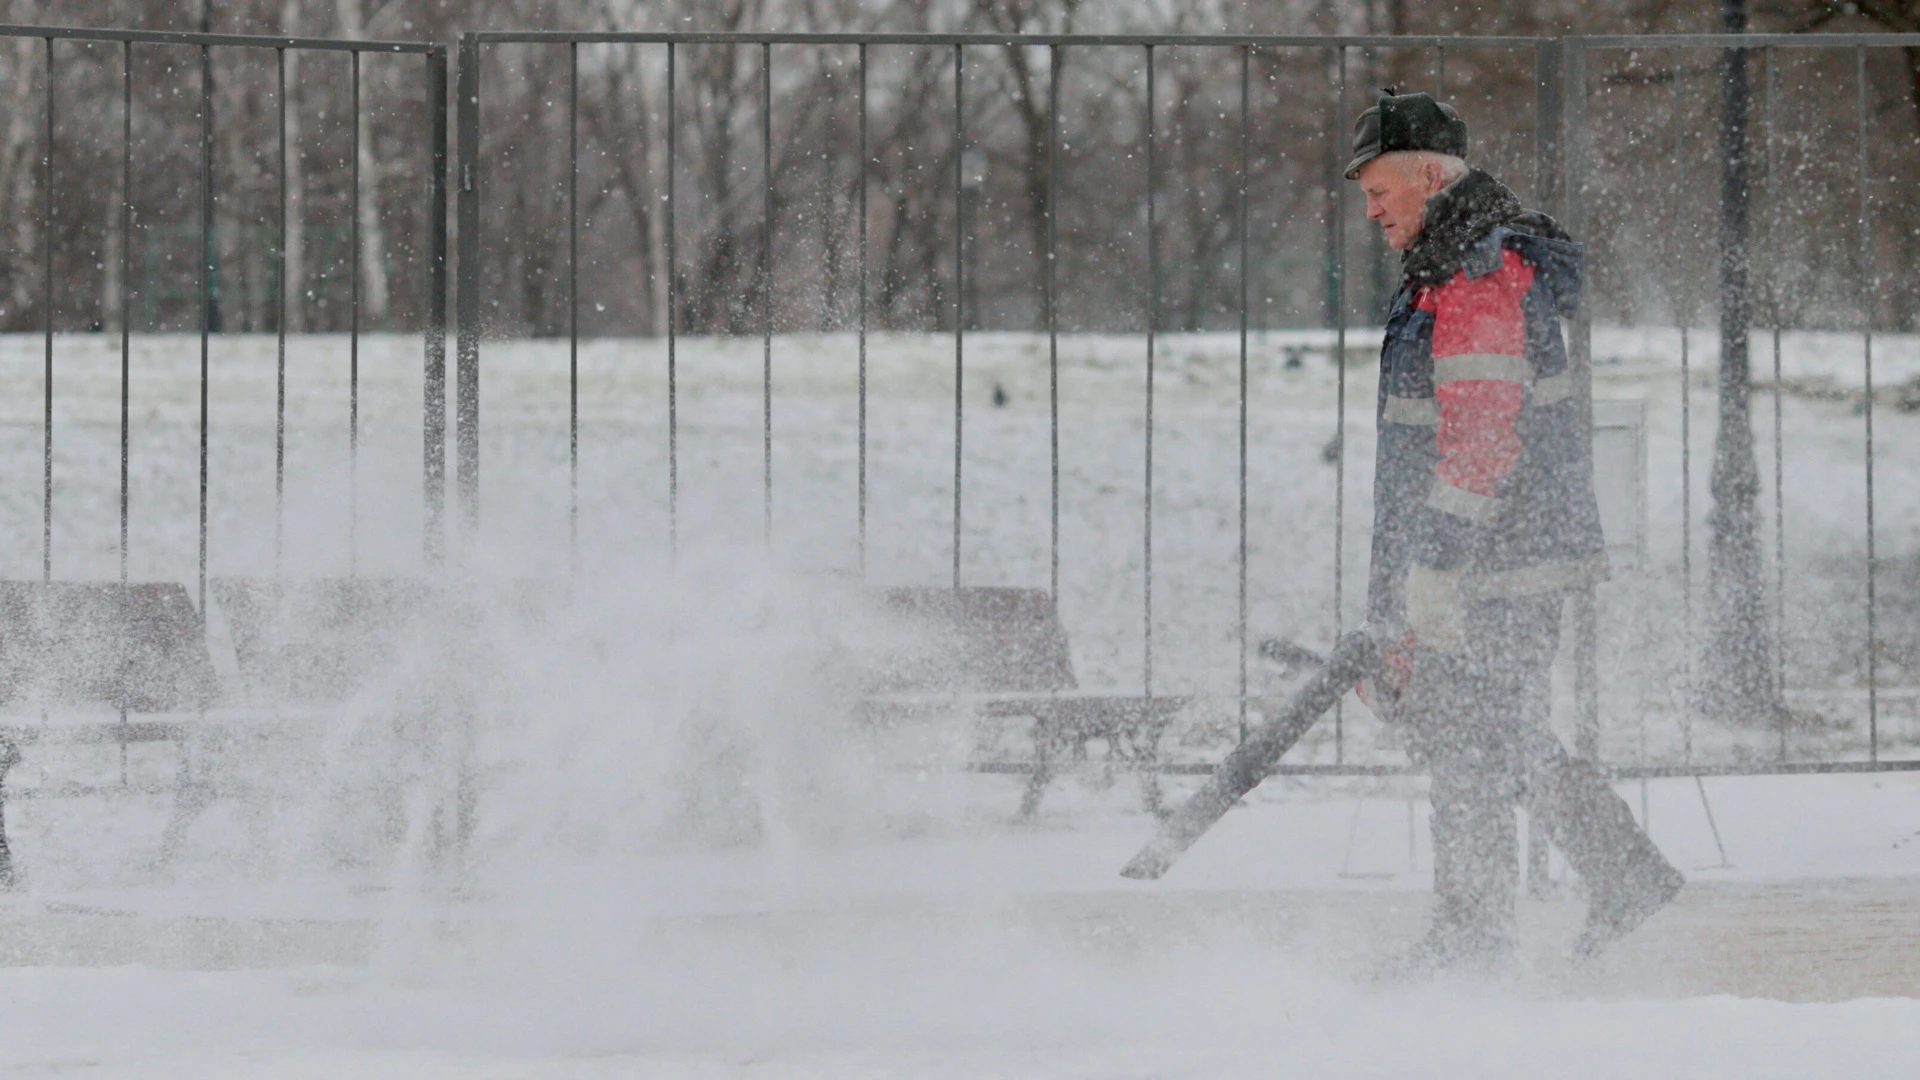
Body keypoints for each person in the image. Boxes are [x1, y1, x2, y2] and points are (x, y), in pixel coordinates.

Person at [1345, 90, 1683, 975]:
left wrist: (1434, 571)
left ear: (1427, 175)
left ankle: (1481, 933)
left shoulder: (1476, 272)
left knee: (1474, 738)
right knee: (1485, 736)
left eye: (1380, 189)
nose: (1371, 209)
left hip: (1499, 563)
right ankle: (1580, 892)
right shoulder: (1447, 266)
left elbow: (1482, 438)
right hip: (1498, 558)